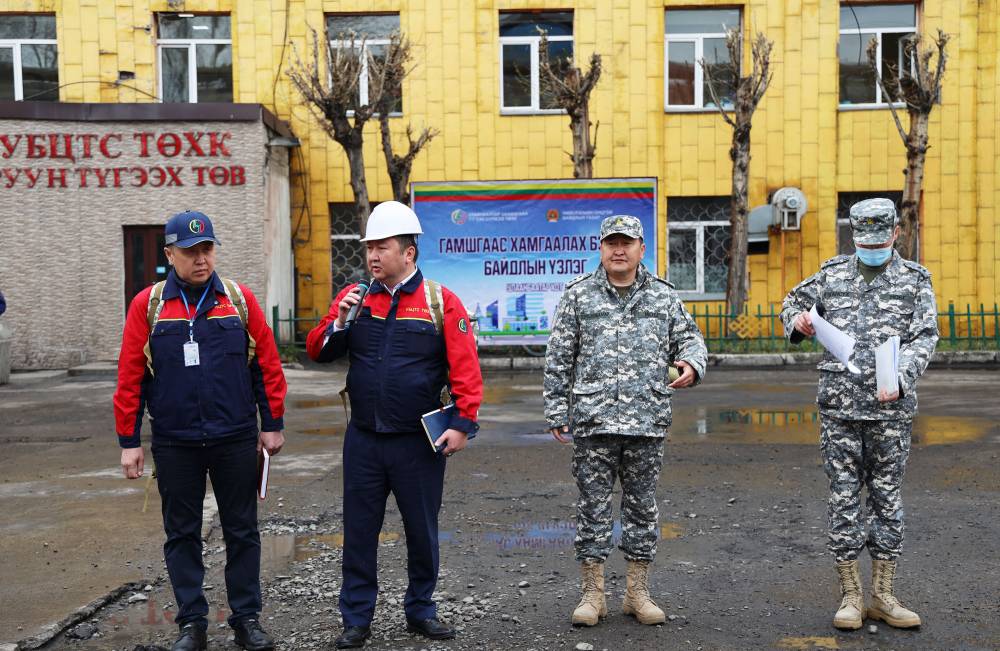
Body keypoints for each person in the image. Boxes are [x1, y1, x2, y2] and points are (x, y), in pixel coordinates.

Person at [305, 201, 483, 649]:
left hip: (417, 443)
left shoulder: (441, 302)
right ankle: (357, 618)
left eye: (382, 247)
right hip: (364, 439)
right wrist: (340, 321)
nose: (372, 256)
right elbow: (317, 351)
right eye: (369, 248)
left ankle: (420, 611)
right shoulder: (356, 299)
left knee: (421, 530)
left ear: (409, 253)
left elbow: (466, 369)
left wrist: (462, 424)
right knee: (359, 531)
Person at [113, 211, 287, 651]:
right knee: (182, 534)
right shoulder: (149, 306)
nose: (201, 259)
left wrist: (273, 424)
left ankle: (247, 619)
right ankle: (193, 624)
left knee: (242, 530)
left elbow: (265, 365)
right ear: (170, 254)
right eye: (190, 252)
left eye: (207, 248)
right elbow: (131, 375)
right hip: (175, 444)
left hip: (233, 438)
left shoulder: (238, 300)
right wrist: (130, 442)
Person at [780, 198, 938, 631]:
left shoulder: (915, 280)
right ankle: (850, 596)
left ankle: (884, 595)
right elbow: (790, 303)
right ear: (854, 237)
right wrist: (798, 320)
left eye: (879, 238)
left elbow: (925, 336)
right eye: (862, 239)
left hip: (891, 410)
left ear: (895, 234)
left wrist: (903, 376)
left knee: (887, 500)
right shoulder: (831, 275)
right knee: (844, 499)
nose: (870, 245)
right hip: (841, 410)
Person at [543, 214, 707, 627]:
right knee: (592, 509)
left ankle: (637, 593)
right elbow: (559, 358)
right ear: (601, 248)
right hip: (593, 421)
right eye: (611, 243)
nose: (619, 250)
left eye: (627, 242)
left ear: (640, 248)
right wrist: (556, 410)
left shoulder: (663, 296)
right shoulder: (579, 296)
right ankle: (593, 595)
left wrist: (692, 362)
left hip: (646, 421)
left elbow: (690, 338)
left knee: (641, 509)